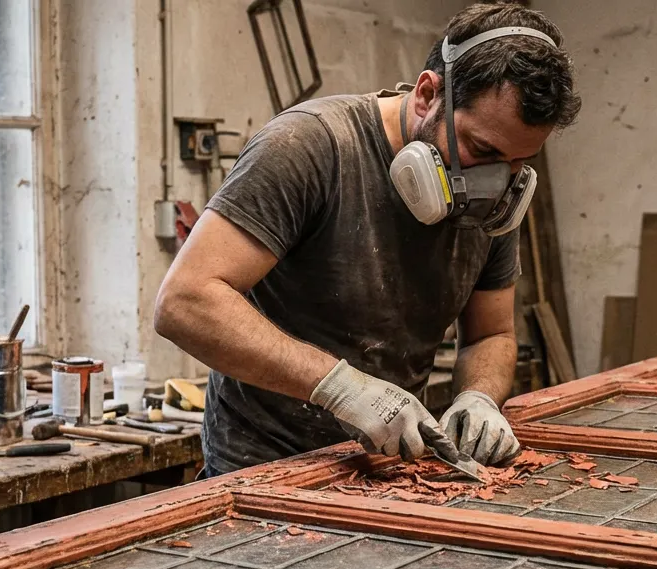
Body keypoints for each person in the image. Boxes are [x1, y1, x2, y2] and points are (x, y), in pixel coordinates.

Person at [154, 1, 581, 477]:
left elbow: (491, 334)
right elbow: (185, 302)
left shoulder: (495, 196)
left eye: (519, 162)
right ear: (426, 95)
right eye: (481, 149)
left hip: (391, 471)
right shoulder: (309, 147)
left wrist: (478, 396)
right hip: (263, 469)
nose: (495, 178)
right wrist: (342, 388)